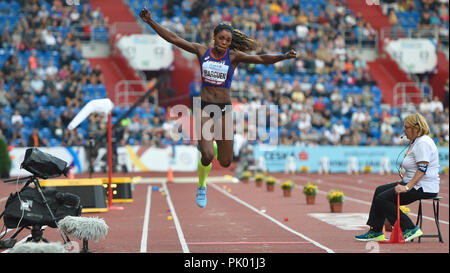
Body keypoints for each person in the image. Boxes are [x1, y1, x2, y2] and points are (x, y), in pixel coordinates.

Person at [139, 7, 297, 208]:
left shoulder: (233, 57)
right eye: (221, 38)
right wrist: (150, 22)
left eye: (228, 41)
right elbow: (175, 39)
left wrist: (282, 57)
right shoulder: (201, 51)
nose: (224, 43)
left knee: (225, 162)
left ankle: (211, 145)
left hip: (224, 110)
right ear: (214, 37)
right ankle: (202, 185)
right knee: (206, 156)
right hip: (204, 108)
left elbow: (260, 59)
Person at [355, 113, 440, 242]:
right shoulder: (416, 141)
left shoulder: (423, 143)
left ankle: (409, 228)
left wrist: (406, 187)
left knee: (382, 199)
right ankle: (376, 231)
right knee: (379, 190)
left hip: (423, 187)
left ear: (416, 128)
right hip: (413, 183)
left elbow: (422, 170)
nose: (403, 130)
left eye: (406, 127)